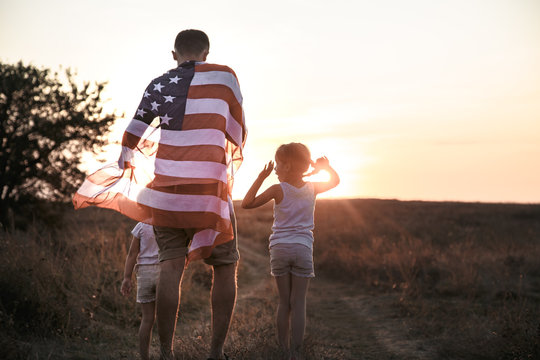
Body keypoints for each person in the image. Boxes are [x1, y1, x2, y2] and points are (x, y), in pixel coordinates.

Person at [74, 29, 246, 360]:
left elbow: (134, 132)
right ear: (206, 53)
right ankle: (216, 352)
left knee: (171, 267)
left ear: (174, 54)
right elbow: (238, 129)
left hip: (167, 191)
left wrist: (125, 166)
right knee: (225, 267)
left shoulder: (157, 85)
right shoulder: (225, 78)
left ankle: (166, 353)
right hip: (210, 192)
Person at [241, 143, 340, 360]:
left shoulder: (278, 189)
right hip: (303, 248)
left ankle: (283, 351)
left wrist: (260, 177)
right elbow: (335, 181)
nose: (274, 169)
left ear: (287, 165)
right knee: (299, 303)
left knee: (284, 302)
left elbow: (246, 204)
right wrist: (324, 167)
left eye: (277, 165)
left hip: (279, 248)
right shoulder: (312, 187)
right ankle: (296, 353)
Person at [121, 222, 160, 360]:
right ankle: (167, 354)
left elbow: (132, 253)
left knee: (147, 318)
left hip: (144, 273)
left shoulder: (141, 225)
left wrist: (127, 277)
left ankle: (145, 357)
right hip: (164, 271)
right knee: (164, 318)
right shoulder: (168, 220)